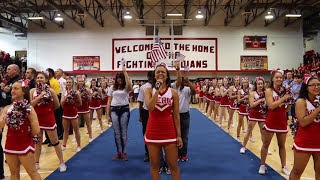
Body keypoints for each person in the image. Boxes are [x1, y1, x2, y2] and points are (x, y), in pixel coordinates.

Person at [144, 64, 183, 180]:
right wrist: (156, 90)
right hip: (153, 131)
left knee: (173, 166)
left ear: (166, 76)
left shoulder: (173, 93)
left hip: (169, 131)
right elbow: (150, 108)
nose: (160, 74)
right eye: (158, 72)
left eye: (163, 72)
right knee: (154, 165)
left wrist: (179, 135)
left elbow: (176, 116)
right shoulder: (148, 90)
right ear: (154, 76)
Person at [0, 81, 41, 180]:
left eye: (16, 88)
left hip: (25, 144)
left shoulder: (29, 108)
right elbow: (0, 125)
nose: (12, 91)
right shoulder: (7, 108)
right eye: (12, 89)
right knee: (13, 173)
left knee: (32, 172)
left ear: (23, 91)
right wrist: (7, 117)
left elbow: (36, 130)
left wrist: (25, 135)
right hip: (10, 144)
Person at [30, 72, 67, 172]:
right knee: (37, 142)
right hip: (37, 120)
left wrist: (48, 110)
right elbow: (31, 105)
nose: (39, 79)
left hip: (48, 118)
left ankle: (62, 162)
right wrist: (40, 96)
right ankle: (36, 163)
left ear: (46, 80)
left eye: (41, 78)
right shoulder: (32, 91)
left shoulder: (51, 90)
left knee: (54, 142)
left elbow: (57, 105)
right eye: (38, 78)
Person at [259, 69, 291, 175]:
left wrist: (288, 103)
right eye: (277, 77)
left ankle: (284, 166)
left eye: (281, 77)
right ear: (272, 78)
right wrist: (283, 99)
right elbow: (271, 106)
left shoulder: (285, 90)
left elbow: (287, 108)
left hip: (282, 119)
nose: (279, 79)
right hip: (271, 120)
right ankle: (262, 165)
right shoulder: (269, 91)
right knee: (266, 144)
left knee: (282, 145)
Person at [289, 75, 320, 180]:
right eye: (313, 85)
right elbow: (303, 122)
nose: (316, 87)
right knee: (297, 171)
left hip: (319, 140)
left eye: (318, 84)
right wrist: (318, 109)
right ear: (306, 87)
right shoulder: (301, 101)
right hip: (304, 141)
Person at [106, 65, 132, 161]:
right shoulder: (112, 88)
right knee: (116, 132)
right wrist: (107, 114)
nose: (120, 81)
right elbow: (109, 101)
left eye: (121, 80)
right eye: (118, 80)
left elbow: (129, 85)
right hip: (114, 110)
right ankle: (119, 152)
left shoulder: (126, 87)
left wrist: (125, 72)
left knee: (124, 132)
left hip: (124, 109)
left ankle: (124, 152)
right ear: (116, 80)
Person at [240, 77, 268, 154]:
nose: (260, 85)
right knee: (249, 131)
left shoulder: (266, 93)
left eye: (261, 84)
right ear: (256, 84)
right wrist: (260, 100)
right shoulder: (252, 93)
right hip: (253, 114)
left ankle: (265, 147)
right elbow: (252, 105)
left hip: (262, 115)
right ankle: (243, 146)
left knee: (263, 133)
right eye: (258, 84)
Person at [171, 74, 195, 161]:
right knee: (176, 135)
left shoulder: (187, 89)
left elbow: (194, 91)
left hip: (185, 115)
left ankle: (183, 154)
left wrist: (188, 81)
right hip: (174, 115)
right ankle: (176, 153)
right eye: (180, 82)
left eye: (183, 82)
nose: (181, 83)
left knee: (184, 136)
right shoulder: (173, 88)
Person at [61, 77, 82, 152]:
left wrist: (74, 104)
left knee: (76, 130)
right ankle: (64, 145)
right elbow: (61, 104)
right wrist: (66, 97)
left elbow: (80, 103)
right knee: (66, 130)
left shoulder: (76, 92)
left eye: (70, 82)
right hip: (66, 113)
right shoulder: (64, 92)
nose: (68, 84)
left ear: (72, 83)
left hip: (73, 113)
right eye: (67, 82)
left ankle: (79, 145)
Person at [137, 71, 153, 162]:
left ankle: (156, 152)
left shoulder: (157, 86)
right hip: (146, 112)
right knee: (146, 133)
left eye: (152, 77)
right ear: (147, 77)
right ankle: (147, 153)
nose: (151, 78)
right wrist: (140, 115)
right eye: (149, 77)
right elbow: (140, 102)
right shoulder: (143, 87)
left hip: (155, 112)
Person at [76, 75, 92, 142]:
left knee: (88, 123)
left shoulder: (87, 89)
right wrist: (79, 96)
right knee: (77, 124)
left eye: (82, 81)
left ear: (84, 81)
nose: (81, 82)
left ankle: (90, 136)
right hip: (78, 108)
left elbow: (90, 99)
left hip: (85, 107)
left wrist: (87, 98)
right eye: (79, 81)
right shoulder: (76, 90)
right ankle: (76, 136)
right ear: (77, 82)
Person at [236, 77, 251, 142]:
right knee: (240, 123)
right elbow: (238, 101)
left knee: (250, 124)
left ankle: (250, 136)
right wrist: (244, 97)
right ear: (242, 83)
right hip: (242, 107)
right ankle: (238, 136)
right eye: (244, 82)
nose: (245, 84)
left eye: (246, 82)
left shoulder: (250, 90)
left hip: (248, 108)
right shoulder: (240, 91)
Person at [55, 68, 66, 140]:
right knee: (56, 118)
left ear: (62, 73)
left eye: (58, 71)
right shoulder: (55, 80)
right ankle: (58, 132)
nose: (56, 72)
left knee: (60, 117)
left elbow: (64, 91)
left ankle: (62, 133)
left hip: (60, 97)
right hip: (55, 97)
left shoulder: (63, 81)